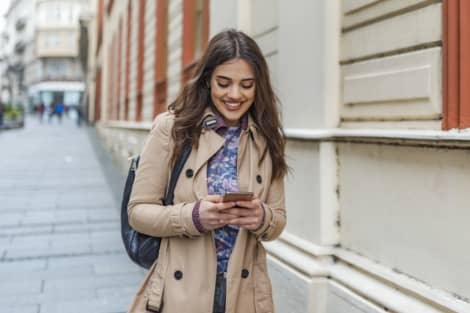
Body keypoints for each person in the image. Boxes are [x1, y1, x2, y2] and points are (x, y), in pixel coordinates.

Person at [127, 29, 288, 313]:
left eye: (247, 85)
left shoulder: (266, 138)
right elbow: (138, 212)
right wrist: (193, 216)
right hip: (182, 292)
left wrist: (261, 216)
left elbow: (278, 221)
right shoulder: (172, 128)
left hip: (244, 293)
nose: (235, 95)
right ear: (207, 81)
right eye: (223, 83)